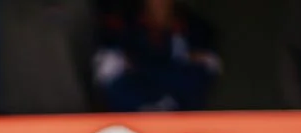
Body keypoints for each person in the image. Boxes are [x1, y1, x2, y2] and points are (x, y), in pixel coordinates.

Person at [93, 0, 221, 112]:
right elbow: (108, 76)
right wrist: (176, 65)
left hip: (182, 123)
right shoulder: (121, 24)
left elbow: (200, 78)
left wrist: (139, 66)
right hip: (130, 122)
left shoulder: (197, 28)